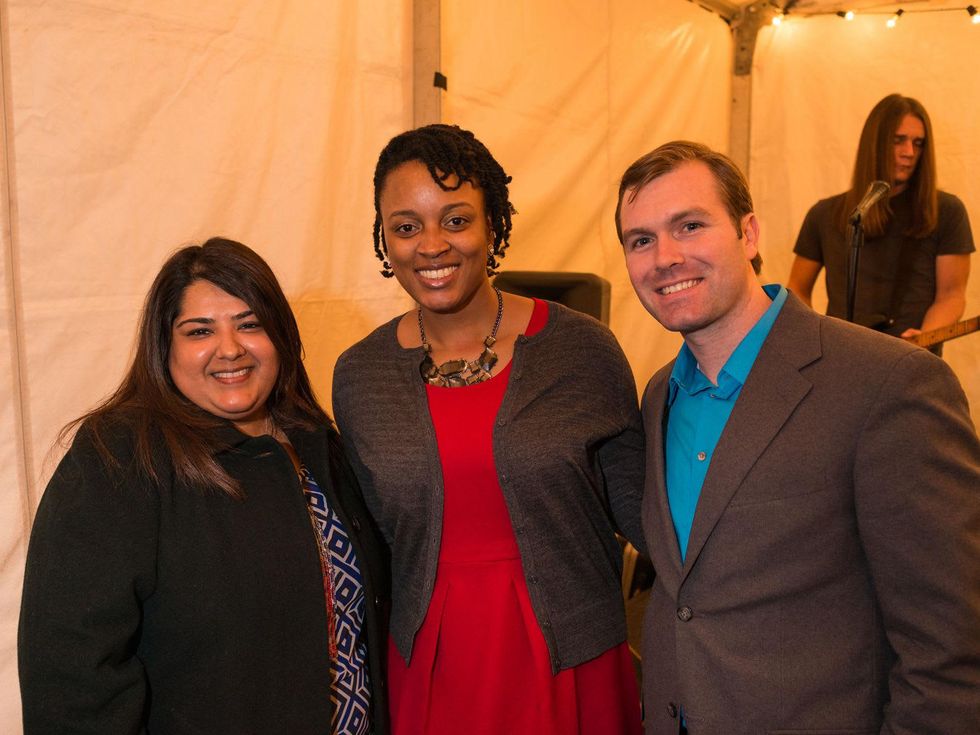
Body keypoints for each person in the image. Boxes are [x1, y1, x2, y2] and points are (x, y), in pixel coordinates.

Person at [615, 141, 980, 734]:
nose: (665, 257)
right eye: (641, 240)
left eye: (689, 225)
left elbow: (951, 647)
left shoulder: (888, 384)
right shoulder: (659, 395)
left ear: (749, 233)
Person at [332, 124, 645, 734]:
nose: (430, 246)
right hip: (432, 661)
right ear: (384, 239)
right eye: (405, 226)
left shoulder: (581, 351)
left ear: (493, 224)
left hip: (571, 654)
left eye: (455, 220)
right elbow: (366, 538)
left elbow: (643, 509)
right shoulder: (360, 376)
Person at [19, 238, 390, 734]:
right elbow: (69, 671)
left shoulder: (319, 443)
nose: (230, 349)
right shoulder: (123, 456)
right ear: (165, 347)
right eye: (199, 331)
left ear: (279, 334)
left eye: (250, 324)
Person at [788, 93, 974, 342]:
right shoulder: (824, 214)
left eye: (918, 143)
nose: (909, 152)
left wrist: (927, 336)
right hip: (844, 357)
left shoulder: (947, 211)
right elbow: (797, 287)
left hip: (915, 361)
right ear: (875, 143)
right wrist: (817, 337)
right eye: (899, 140)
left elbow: (952, 295)